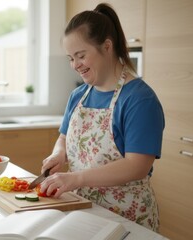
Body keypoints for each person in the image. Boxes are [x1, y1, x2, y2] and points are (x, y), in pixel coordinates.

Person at [38, 3, 164, 232]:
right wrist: (59, 154)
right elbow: (63, 138)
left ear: (107, 46)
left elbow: (137, 166)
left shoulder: (139, 100)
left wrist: (76, 179)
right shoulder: (78, 96)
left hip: (127, 218)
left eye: (81, 55)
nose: (75, 65)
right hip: (82, 211)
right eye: (70, 58)